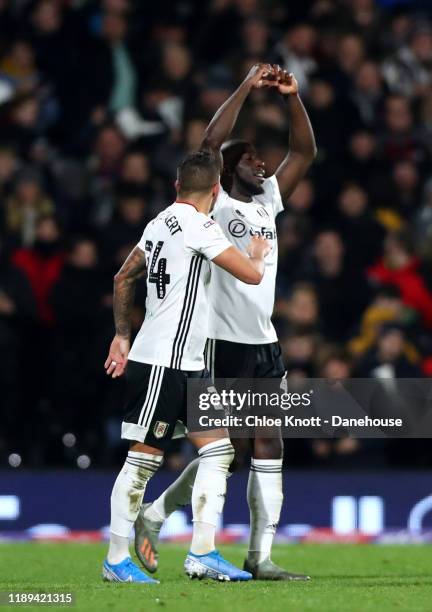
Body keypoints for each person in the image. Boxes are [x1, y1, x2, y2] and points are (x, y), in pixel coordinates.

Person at [135, 64, 316, 580]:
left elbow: (303, 153)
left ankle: (258, 557)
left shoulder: (268, 203)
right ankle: (160, 514)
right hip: (219, 342)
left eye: (261, 157)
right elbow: (211, 142)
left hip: (265, 341)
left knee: (269, 441)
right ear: (227, 171)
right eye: (251, 158)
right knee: (226, 450)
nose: (262, 163)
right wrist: (248, 85)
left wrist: (292, 98)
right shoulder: (213, 208)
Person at [103, 144, 271, 583]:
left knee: (218, 451)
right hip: (164, 362)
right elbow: (251, 276)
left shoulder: (158, 222)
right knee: (142, 461)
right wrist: (257, 253)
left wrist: (122, 334)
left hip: (186, 361)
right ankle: (116, 560)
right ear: (216, 190)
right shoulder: (201, 226)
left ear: (178, 186)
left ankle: (202, 552)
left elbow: (124, 276)